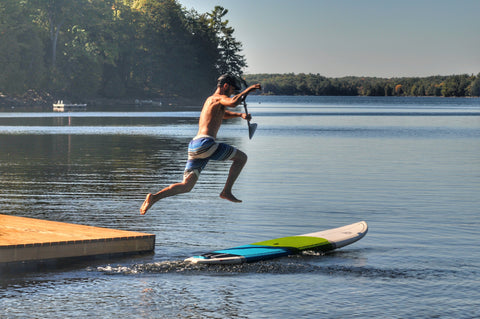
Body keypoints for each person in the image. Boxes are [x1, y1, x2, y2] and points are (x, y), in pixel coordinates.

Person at [140, 74, 261, 215]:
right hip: (206, 144)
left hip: (195, 146)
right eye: (232, 90)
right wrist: (248, 90)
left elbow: (223, 113)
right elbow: (234, 102)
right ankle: (226, 191)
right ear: (225, 86)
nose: (233, 93)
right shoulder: (218, 97)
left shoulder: (211, 101)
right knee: (241, 158)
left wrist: (239, 115)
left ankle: (154, 197)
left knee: (186, 186)